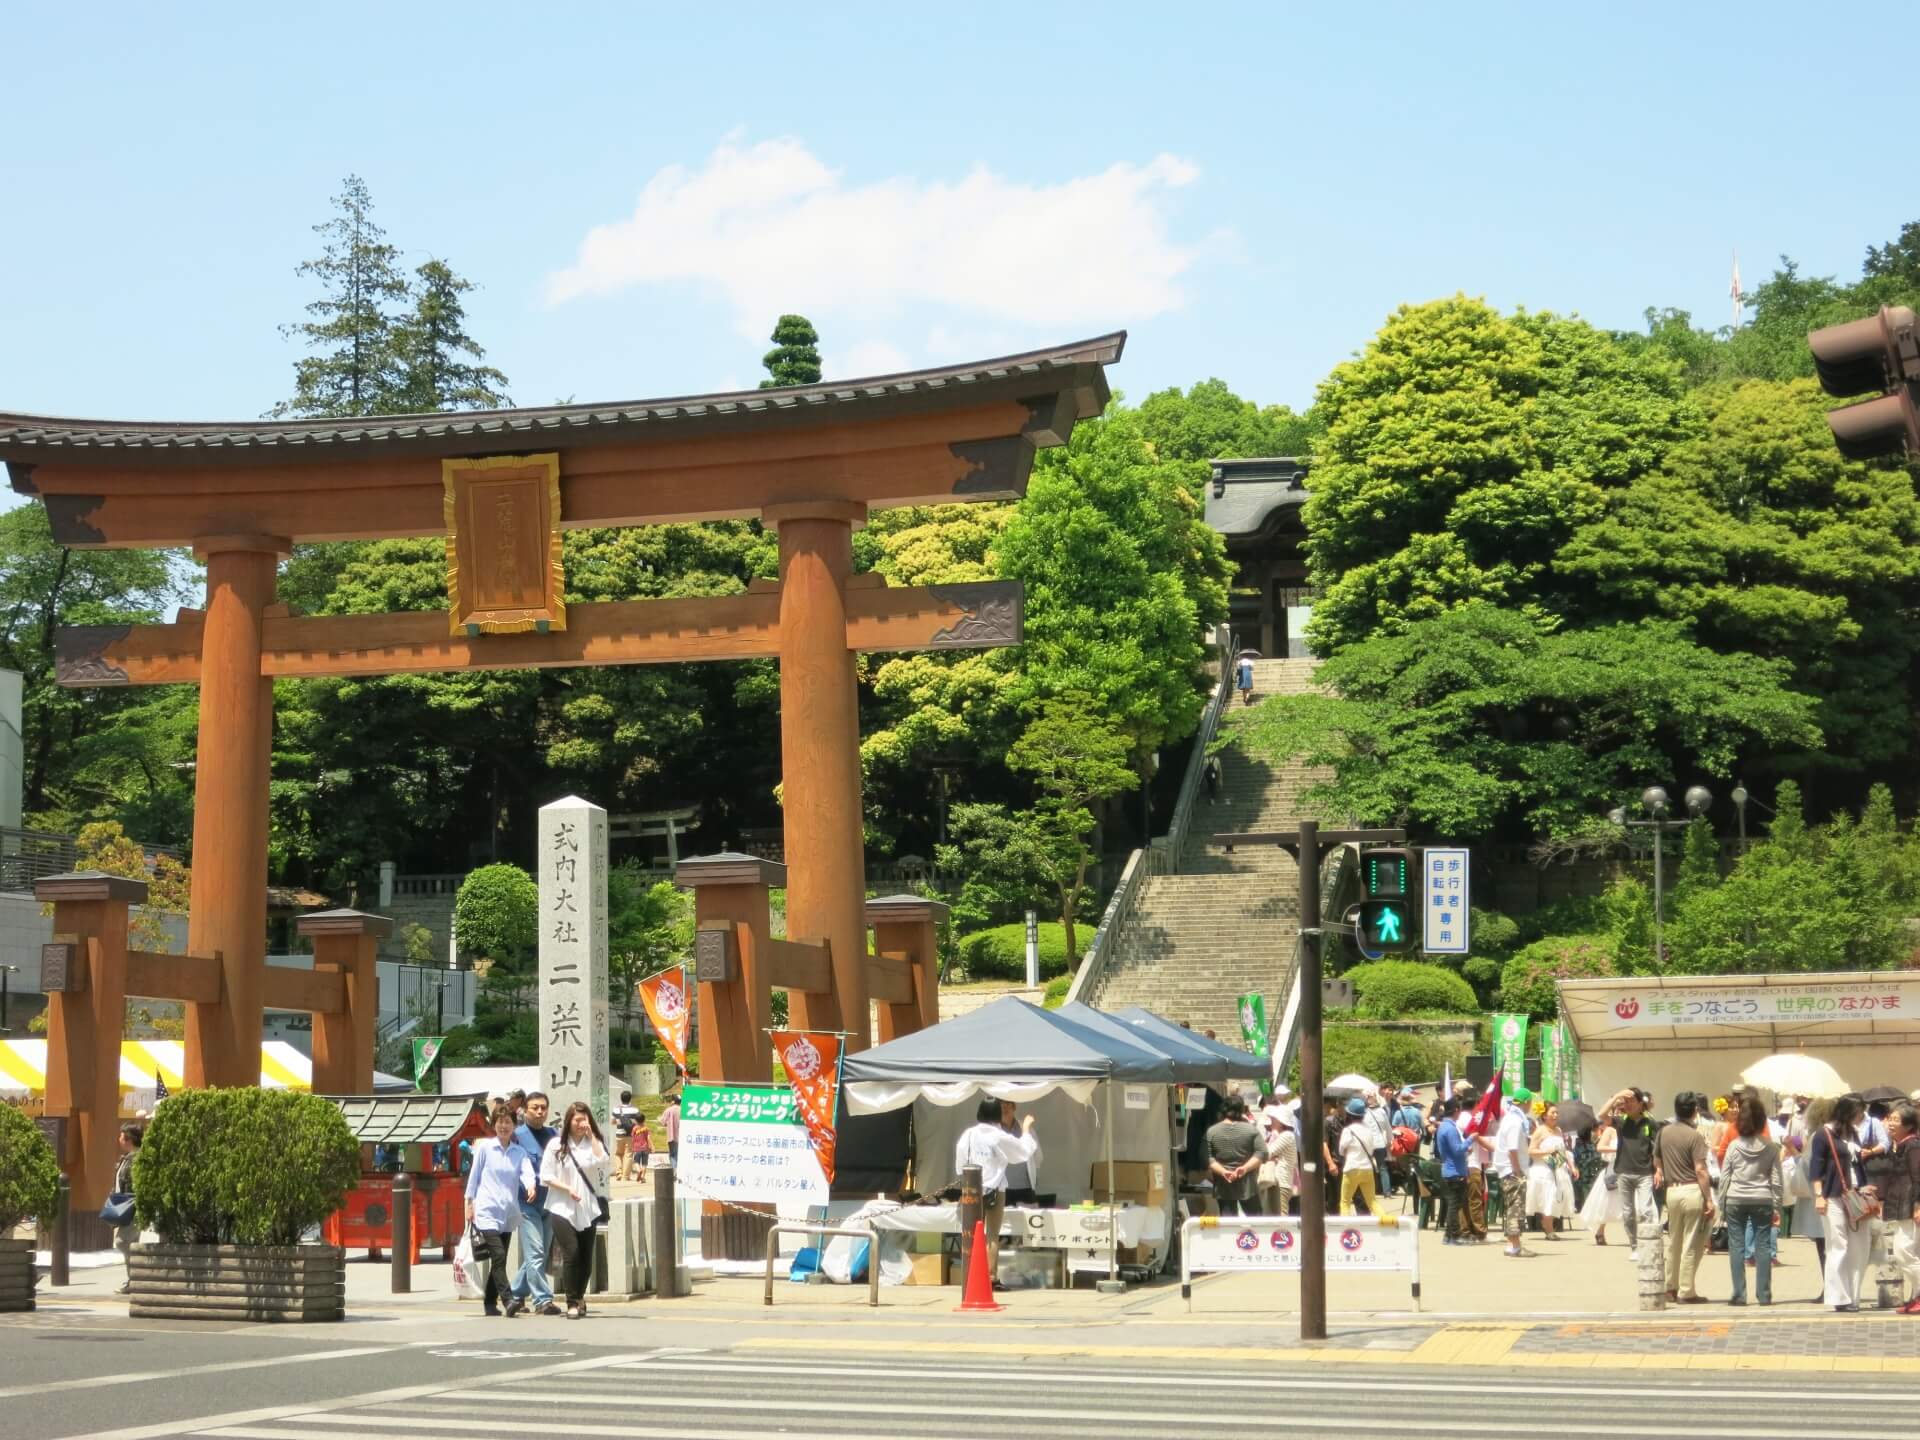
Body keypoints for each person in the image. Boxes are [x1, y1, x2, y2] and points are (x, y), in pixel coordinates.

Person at [955, 1097, 1039, 1288]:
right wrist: (1025, 1129)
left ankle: (969, 1277)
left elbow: (959, 1164)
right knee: (992, 1234)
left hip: (971, 1187)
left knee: (970, 1233)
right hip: (995, 1189)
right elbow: (1023, 1152)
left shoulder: (968, 1134)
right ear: (997, 1115)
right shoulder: (998, 1135)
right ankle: (990, 1277)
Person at [540, 1101, 609, 1319]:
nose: (581, 1123)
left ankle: (579, 1297)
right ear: (568, 1121)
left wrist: (593, 1136)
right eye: (577, 1119)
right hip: (561, 1206)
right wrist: (567, 1188)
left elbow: (603, 1161)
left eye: (584, 1119)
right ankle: (571, 1301)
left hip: (587, 1206)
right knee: (572, 1253)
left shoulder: (592, 1143)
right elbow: (546, 1175)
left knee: (586, 1260)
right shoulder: (555, 1145)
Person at [465, 1104, 535, 1317]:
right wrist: (469, 1203)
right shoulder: (485, 1148)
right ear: (494, 1124)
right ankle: (508, 1299)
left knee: (499, 1259)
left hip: (508, 1212)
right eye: (500, 1122)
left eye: (508, 1122)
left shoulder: (518, 1151)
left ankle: (489, 1302)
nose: (504, 1126)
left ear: (514, 1125)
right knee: (498, 1254)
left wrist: (530, 1185)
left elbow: (527, 1172)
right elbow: (474, 1177)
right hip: (486, 1210)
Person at [1719, 1093, 1783, 1307]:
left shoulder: (1734, 1146)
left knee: (1736, 1247)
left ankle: (1739, 1294)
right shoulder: (1771, 1148)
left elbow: (1725, 1177)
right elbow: (1776, 1180)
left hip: (1735, 1199)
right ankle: (1764, 1295)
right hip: (1762, 1198)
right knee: (1763, 1246)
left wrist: (1721, 1205)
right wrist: (1777, 1205)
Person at [1811, 1093, 1872, 1312]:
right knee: (1838, 1245)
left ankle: (1854, 1295)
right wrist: (1819, 1195)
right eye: (1858, 1112)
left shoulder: (1854, 1133)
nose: (1861, 1116)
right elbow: (1816, 1169)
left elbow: (1858, 1166)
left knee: (1860, 1247)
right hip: (1833, 1195)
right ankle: (1838, 1297)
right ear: (1847, 1112)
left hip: (1857, 1195)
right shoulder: (1823, 1134)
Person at [507, 1092, 560, 1318]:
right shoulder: (517, 1135)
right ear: (525, 1110)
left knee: (538, 1253)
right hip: (525, 1202)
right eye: (535, 1108)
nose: (540, 1112)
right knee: (536, 1251)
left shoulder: (553, 1135)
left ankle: (516, 1295)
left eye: (543, 1108)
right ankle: (543, 1300)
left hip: (549, 1201)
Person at [1658, 1091, 1713, 1303]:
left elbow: (1657, 1162)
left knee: (1674, 1241)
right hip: (1691, 1190)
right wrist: (1708, 1198)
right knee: (1691, 1242)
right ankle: (1686, 1290)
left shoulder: (1664, 1132)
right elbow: (1700, 1169)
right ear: (1695, 1111)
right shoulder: (1695, 1136)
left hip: (1671, 1191)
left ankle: (1670, 1287)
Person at [1884, 1105, 1920, 1313]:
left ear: (1907, 1125)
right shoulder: (1898, 1145)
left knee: (1903, 1250)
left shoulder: (1913, 1145)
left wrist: (1918, 1206)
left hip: (1910, 1205)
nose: (1890, 1123)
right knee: (1909, 1251)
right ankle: (1915, 1297)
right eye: (1890, 1118)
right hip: (1900, 1205)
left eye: (1896, 1120)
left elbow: (1917, 1178)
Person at [1207, 1094, 1266, 1217]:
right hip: (1248, 1186)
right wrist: (1244, 1168)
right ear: (1241, 1110)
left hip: (1223, 1187)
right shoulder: (1251, 1130)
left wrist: (1223, 1171)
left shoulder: (1212, 1132)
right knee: (1255, 1221)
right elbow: (1262, 1153)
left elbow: (1208, 1158)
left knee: (1228, 1225)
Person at [1526, 1105, 1577, 1239]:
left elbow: (1563, 1150)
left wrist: (1572, 1166)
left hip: (1559, 1168)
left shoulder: (1558, 1130)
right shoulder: (1539, 1131)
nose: (1555, 1115)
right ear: (1544, 1115)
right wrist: (1546, 1152)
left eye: (1557, 1113)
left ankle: (1548, 1225)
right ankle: (1549, 1229)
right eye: (1552, 1113)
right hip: (1543, 1169)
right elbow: (1531, 1151)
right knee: (1549, 1197)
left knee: (1557, 1199)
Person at [1493, 1087, 1533, 1258]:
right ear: (1526, 1102)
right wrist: (1517, 1172)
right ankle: (1516, 1245)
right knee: (1516, 1208)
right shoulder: (1515, 1122)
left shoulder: (1511, 1118)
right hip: (1512, 1170)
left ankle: (1511, 1244)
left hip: (1508, 1169)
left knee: (1511, 1207)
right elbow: (1512, 1149)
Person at [1580, 1115, 1621, 1244]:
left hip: (1629, 1168)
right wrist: (1618, 1149)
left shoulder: (1628, 1130)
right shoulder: (1610, 1130)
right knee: (1606, 1202)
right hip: (1613, 1169)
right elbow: (1600, 1147)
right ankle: (1600, 1230)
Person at [111, 1123, 142, 1294]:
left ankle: (136, 1277)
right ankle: (134, 1279)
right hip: (122, 1205)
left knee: (123, 1242)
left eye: (121, 1136)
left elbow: (134, 1186)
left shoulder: (136, 1159)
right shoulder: (126, 1158)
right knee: (130, 1242)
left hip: (131, 1207)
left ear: (128, 1139)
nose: (119, 1139)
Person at [1338, 1096, 1380, 1217]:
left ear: (1350, 1114)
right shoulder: (1368, 1130)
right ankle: (1387, 1224)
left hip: (1352, 1168)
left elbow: (1341, 1150)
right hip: (1367, 1169)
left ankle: (1345, 1230)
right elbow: (1372, 1149)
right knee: (1372, 1202)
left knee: (1345, 1202)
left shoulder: (1348, 1130)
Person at [1434, 1099, 1468, 1244]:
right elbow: (1457, 1150)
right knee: (1455, 1205)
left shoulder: (1443, 1127)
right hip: (1455, 1171)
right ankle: (1453, 1235)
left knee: (1453, 1204)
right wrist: (1470, 1140)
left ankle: (1449, 1235)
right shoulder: (1450, 1128)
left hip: (1449, 1170)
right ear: (1456, 1110)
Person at [1000, 1098, 1044, 1206]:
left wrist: (1032, 1172)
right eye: (1001, 1104)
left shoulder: (1026, 1128)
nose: (1004, 1107)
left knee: (1028, 1220)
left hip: (1024, 1187)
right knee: (1003, 1221)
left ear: (1014, 1106)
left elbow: (1038, 1156)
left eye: (1007, 1104)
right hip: (1001, 1188)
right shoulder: (994, 1130)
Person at [1258, 1107, 1298, 1217]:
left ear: (1281, 1121)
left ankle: (1283, 1235)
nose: (1271, 1121)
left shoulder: (1286, 1136)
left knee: (1281, 1216)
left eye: (1274, 1119)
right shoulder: (1278, 1136)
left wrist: (1269, 1156)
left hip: (1281, 1182)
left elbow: (1267, 1152)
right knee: (1273, 1215)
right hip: (1275, 1182)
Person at [1463, 1097, 1492, 1244]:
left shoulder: (1464, 1118)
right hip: (1471, 1164)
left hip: (1473, 1163)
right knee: (1475, 1200)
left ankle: (1467, 1232)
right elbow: (1476, 1138)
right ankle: (1480, 1233)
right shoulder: (1468, 1119)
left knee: (1469, 1200)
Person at [1364, 1088, 1394, 1198]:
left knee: (1368, 1167)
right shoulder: (1382, 1111)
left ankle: (1371, 1191)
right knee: (1383, 1167)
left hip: (1368, 1143)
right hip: (1380, 1143)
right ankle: (1387, 1192)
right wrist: (1390, 1140)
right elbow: (1388, 1127)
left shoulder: (1364, 1113)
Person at [662, 1091, 681, 1166]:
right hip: (682, 1136)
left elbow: (663, 1122)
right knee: (680, 1154)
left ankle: (674, 1171)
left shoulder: (669, 1110)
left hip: (672, 1136)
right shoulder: (683, 1110)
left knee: (673, 1154)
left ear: (673, 1101)